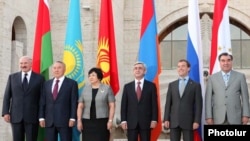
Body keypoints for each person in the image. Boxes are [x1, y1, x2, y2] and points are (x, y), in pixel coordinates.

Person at [1, 56, 45, 141]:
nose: (23, 65)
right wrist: (5, 112)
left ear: (31, 64)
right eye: (21, 63)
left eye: (25, 63)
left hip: (32, 117)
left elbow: (42, 99)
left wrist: (41, 116)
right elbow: (7, 96)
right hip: (16, 116)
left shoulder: (40, 78)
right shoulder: (12, 77)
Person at [205, 52, 250, 125]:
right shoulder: (212, 78)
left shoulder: (240, 77)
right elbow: (208, 99)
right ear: (219, 62)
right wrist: (208, 116)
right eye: (223, 60)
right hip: (217, 117)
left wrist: (246, 115)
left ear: (232, 62)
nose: (226, 63)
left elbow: (245, 98)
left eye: (228, 60)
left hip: (236, 117)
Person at [163, 59, 202, 141]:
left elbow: (199, 105)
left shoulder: (195, 85)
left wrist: (197, 121)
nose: (180, 68)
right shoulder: (172, 85)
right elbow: (168, 104)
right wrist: (166, 119)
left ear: (188, 68)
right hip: (174, 121)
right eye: (179, 66)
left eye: (183, 66)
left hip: (189, 122)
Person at [39, 61, 78, 141]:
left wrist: (73, 118)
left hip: (65, 121)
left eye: (59, 68)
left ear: (64, 69)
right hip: (49, 121)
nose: (56, 70)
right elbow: (42, 102)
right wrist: (41, 117)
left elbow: (73, 102)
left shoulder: (72, 83)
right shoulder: (46, 84)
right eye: (54, 68)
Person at [120, 61, 158, 141]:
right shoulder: (127, 87)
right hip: (131, 122)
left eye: (140, 68)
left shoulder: (151, 86)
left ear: (144, 71)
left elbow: (154, 104)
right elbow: (124, 105)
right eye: (135, 68)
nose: (137, 70)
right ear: (133, 71)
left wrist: (154, 119)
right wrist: (123, 120)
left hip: (146, 122)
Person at [77, 67, 115, 141]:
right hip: (87, 121)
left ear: (99, 77)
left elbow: (112, 105)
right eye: (89, 75)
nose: (91, 77)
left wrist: (110, 120)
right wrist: (79, 120)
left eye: (93, 75)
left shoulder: (107, 88)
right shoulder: (85, 89)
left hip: (102, 121)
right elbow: (80, 106)